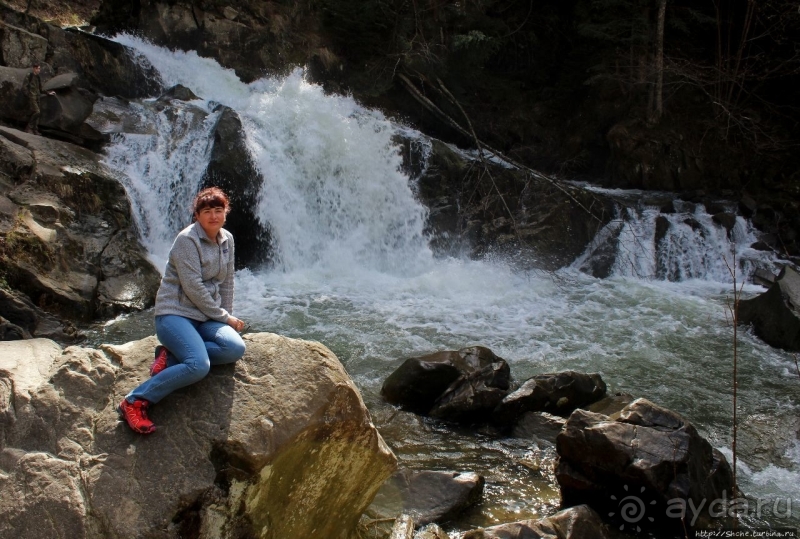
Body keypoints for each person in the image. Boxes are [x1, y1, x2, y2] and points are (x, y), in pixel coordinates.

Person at [118, 187, 247, 434]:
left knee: (235, 347)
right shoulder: (187, 240)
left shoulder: (227, 239)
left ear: (226, 213)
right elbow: (194, 288)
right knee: (199, 365)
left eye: (218, 210)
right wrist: (225, 316)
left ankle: (171, 356)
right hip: (176, 314)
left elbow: (227, 282)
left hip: (206, 317)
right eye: (207, 211)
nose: (213, 216)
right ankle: (134, 401)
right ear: (197, 215)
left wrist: (225, 320)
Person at [23, 63, 55, 136]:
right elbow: (24, 87)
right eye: (38, 68)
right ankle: (28, 127)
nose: (39, 70)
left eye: (39, 69)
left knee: (38, 114)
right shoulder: (29, 76)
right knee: (37, 112)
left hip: (37, 97)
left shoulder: (38, 77)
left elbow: (40, 89)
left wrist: (48, 93)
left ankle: (35, 130)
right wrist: (28, 95)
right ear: (34, 68)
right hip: (32, 96)